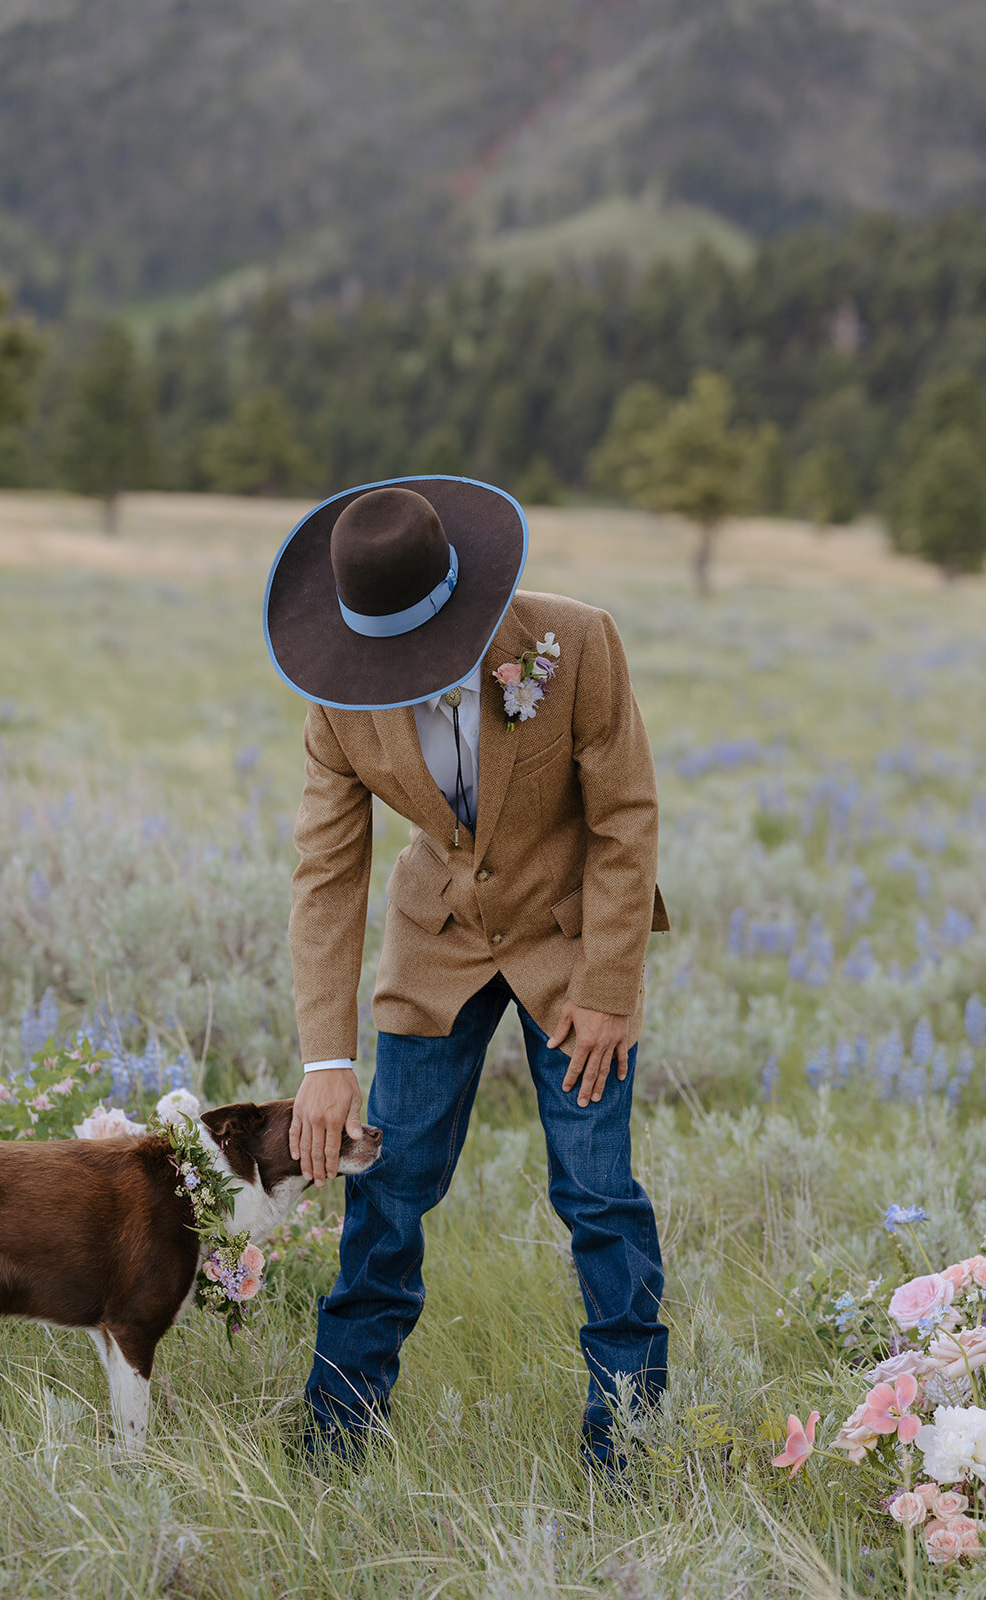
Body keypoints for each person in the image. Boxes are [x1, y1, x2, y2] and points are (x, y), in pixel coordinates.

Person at [263, 475, 670, 1476]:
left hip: (572, 949)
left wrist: (611, 985)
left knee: (599, 1195)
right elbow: (326, 872)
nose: (396, 673)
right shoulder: (339, 699)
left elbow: (626, 819)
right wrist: (325, 1058)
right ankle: (335, 1442)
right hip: (435, 944)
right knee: (387, 1189)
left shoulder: (577, 644)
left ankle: (627, 1447)